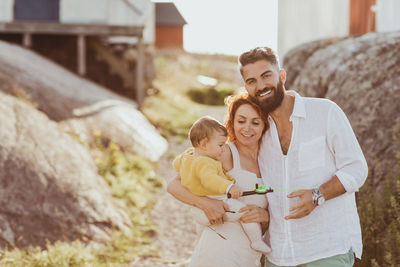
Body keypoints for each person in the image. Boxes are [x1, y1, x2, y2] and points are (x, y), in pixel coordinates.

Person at [237, 46, 368, 267]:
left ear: (282, 75)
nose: (260, 86)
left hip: (327, 250)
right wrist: (264, 213)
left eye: (266, 75)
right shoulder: (257, 132)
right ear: (246, 87)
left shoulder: (325, 112)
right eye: (251, 81)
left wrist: (318, 195)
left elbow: (357, 169)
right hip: (278, 255)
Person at [168, 94, 270, 266]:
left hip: (250, 257)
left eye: (255, 122)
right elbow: (174, 186)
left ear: (264, 125)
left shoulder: (271, 159)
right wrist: (206, 203)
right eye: (241, 121)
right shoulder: (221, 152)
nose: (247, 128)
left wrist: (266, 216)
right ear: (232, 122)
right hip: (218, 250)